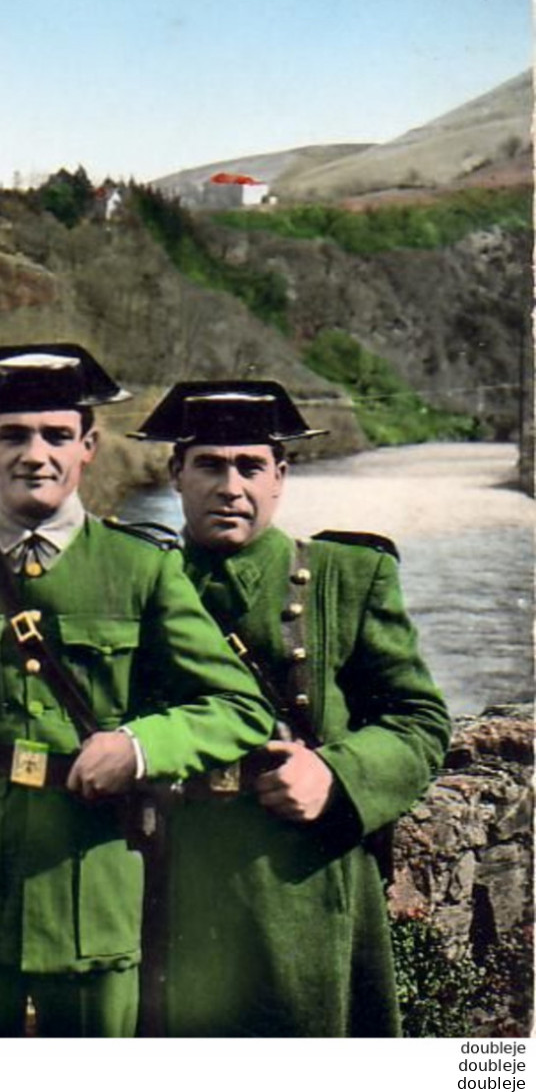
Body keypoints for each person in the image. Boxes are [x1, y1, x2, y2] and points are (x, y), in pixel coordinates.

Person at [0, 345, 274, 1038]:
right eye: (15, 435)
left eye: (57, 434)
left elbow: (241, 706)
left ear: (89, 446)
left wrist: (141, 746)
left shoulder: (139, 567)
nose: (36, 453)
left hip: (92, 876)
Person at [131, 381, 451, 1036]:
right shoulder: (127, 582)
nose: (230, 485)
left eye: (250, 466)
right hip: (164, 889)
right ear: (176, 474)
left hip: (303, 891)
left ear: (280, 477)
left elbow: (418, 722)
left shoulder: (345, 576)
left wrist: (336, 774)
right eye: (210, 465)